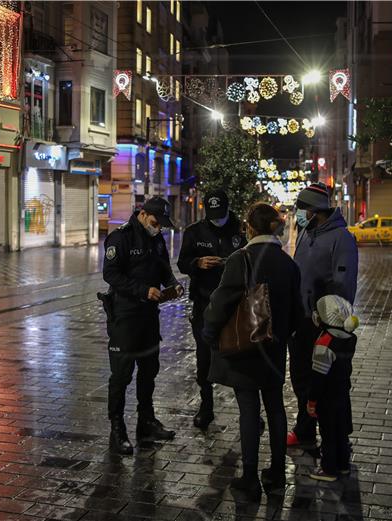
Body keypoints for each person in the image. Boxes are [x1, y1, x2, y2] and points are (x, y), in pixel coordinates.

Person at [202, 203, 302, 499]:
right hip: (274, 350)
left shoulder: (240, 259)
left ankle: (249, 477)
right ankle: (277, 472)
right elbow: (298, 312)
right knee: (275, 408)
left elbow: (221, 303)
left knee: (249, 409)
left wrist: (209, 333)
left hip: (246, 348)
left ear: (249, 227)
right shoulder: (289, 264)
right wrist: (282, 335)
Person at [101, 197, 183, 455]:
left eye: (161, 225)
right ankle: (117, 427)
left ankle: (146, 420)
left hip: (149, 316)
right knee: (122, 375)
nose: (158, 228)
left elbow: (163, 268)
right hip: (125, 316)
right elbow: (110, 274)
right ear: (143, 214)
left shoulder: (156, 238)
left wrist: (172, 283)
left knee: (149, 370)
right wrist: (142, 290)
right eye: (156, 222)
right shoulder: (120, 238)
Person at [288, 183, 358, 449]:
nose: (298, 214)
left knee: (333, 383)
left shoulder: (342, 238)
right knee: (301, 377)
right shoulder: (307, 231)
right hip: (301, 321)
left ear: (315, 210)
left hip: (325, 324)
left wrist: (332, 322)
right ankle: (305, 430)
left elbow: (344, 283)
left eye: (301, 209)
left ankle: (340, 436)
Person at [177, 189, 246, 429]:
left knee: (240, 357)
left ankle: (248, 412)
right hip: (204, 303)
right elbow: (182, 263)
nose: (217, 218)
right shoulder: (195, 232)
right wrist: (198, 263)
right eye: (212, 214)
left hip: (235, 305)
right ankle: (206, 407)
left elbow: (253, 260)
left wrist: (232, 264)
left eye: (221, 213)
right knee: (204, 358)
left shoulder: (241, 230)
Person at [306, 295, 359, 482]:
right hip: (343, 392)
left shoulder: (324, 343)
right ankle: (343, 465)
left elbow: (318, 378)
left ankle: (328, 469)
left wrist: (312, 401)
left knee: (328, 432)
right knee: (341, 430)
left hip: (327, 397)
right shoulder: (350, 338)